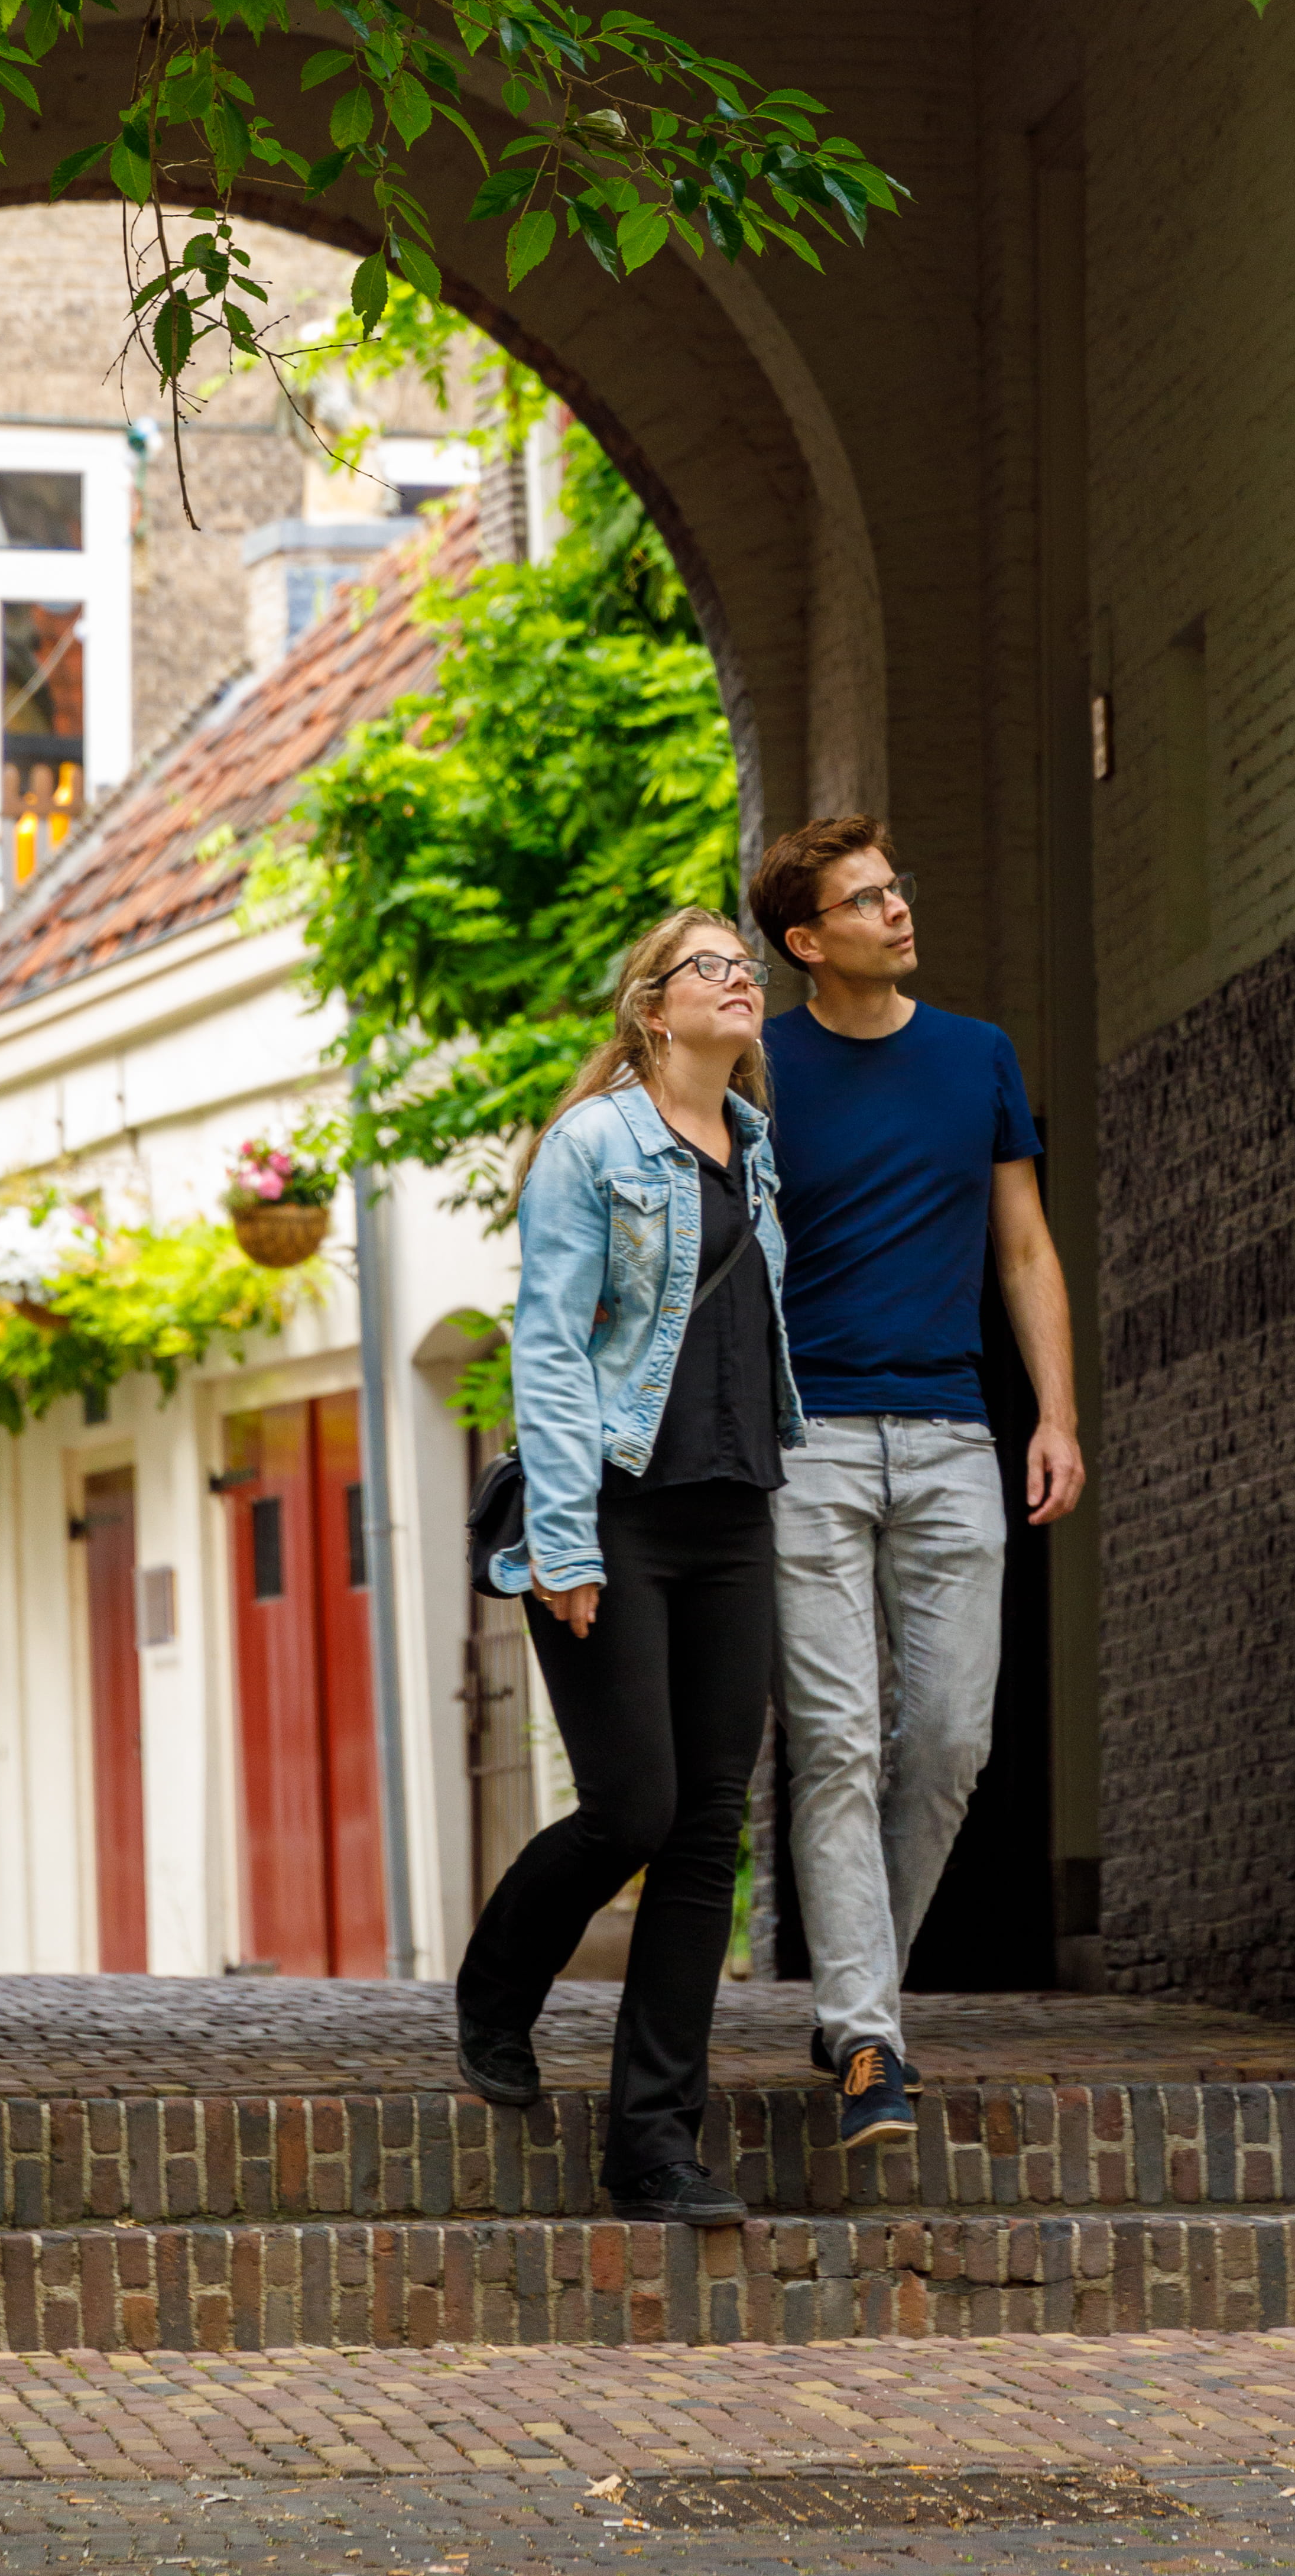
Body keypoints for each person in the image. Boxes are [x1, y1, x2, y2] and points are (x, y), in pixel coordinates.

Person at [452, 906, 804, 2222]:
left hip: (731, 1516)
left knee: (710, 1833)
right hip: (612, 1511)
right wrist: (560, 1537)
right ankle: (497, 1987)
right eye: (714, 968)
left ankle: (653, 2144)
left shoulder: (757, 1151)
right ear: (652, 1009)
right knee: (632, 1809)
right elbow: (546, 1346)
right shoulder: (591, 1147)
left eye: (747, 969)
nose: (741, 984)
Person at [747, 815, 1087, 2157]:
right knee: (835, 1740)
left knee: (948, 1743)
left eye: (896, 888)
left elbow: (1023, 1249)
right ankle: (869, 2037)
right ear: (803, 939)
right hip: (807, 1445)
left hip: (953, 1436)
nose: (896, 912)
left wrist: (1051, 1415)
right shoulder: (757, 1069)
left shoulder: (977, 1059)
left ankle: (855, 2004)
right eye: (865, 899)